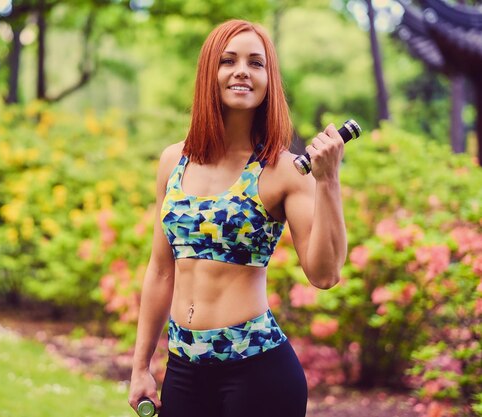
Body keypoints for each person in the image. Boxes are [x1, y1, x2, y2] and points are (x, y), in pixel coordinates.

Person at [128, 19, 347, 417]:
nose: (241, 70)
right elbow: (161, 270)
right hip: (183, 369)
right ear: (210, 73)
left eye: (255, 62)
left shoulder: (282, 170)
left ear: (269, 79)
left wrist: (328, 180)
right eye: (228, 60)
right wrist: (141, 365)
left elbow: (325, 274)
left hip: (257, 374)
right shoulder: (172, 161)